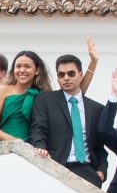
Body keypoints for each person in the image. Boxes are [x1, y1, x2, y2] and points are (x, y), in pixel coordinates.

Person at [31, 50, 111, 184]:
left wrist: (102, 170)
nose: (66, 78)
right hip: (56, 167)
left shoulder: (97, 109)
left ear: (80, 75)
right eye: (61, 75)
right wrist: (40, 146)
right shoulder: (45, 100)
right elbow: (38, 128)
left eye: (71, 73)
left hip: (88, 171)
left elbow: (99, 146)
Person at [0, 49, 44, 143]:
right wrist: (14, 141)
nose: (22, 70)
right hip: (7, 147)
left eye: (27, 66)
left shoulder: (42, 94)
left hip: (33, 148)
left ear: (37, 70)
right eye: (18, 66)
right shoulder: (2, 91)